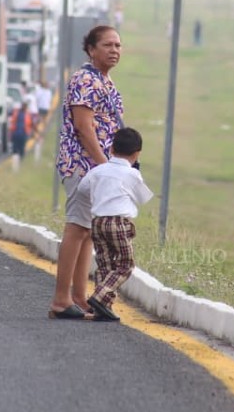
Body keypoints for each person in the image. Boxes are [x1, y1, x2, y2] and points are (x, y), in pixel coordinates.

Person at [48, 25, 124, 320]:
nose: (115, 50)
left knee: (88, 232)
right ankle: (60, 299)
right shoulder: (85, 79)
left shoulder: (104, 81)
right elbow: (84, 126)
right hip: (83, 165)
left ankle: (78, 298)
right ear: (91, 49)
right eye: (107, 45)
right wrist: (105, 167)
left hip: (96, 167)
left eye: (118, 45)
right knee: (77, 227)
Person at [77, 127, 153, 322]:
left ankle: (102, 309)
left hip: (97, 222)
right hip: (118, 222)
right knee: (125, 265)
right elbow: (143, 198)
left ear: (110, 149)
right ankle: (100, 298)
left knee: (105, 264)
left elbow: (82, 189)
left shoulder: (98, 170)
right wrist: (137, 174)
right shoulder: (132, 175)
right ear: (137, 154)